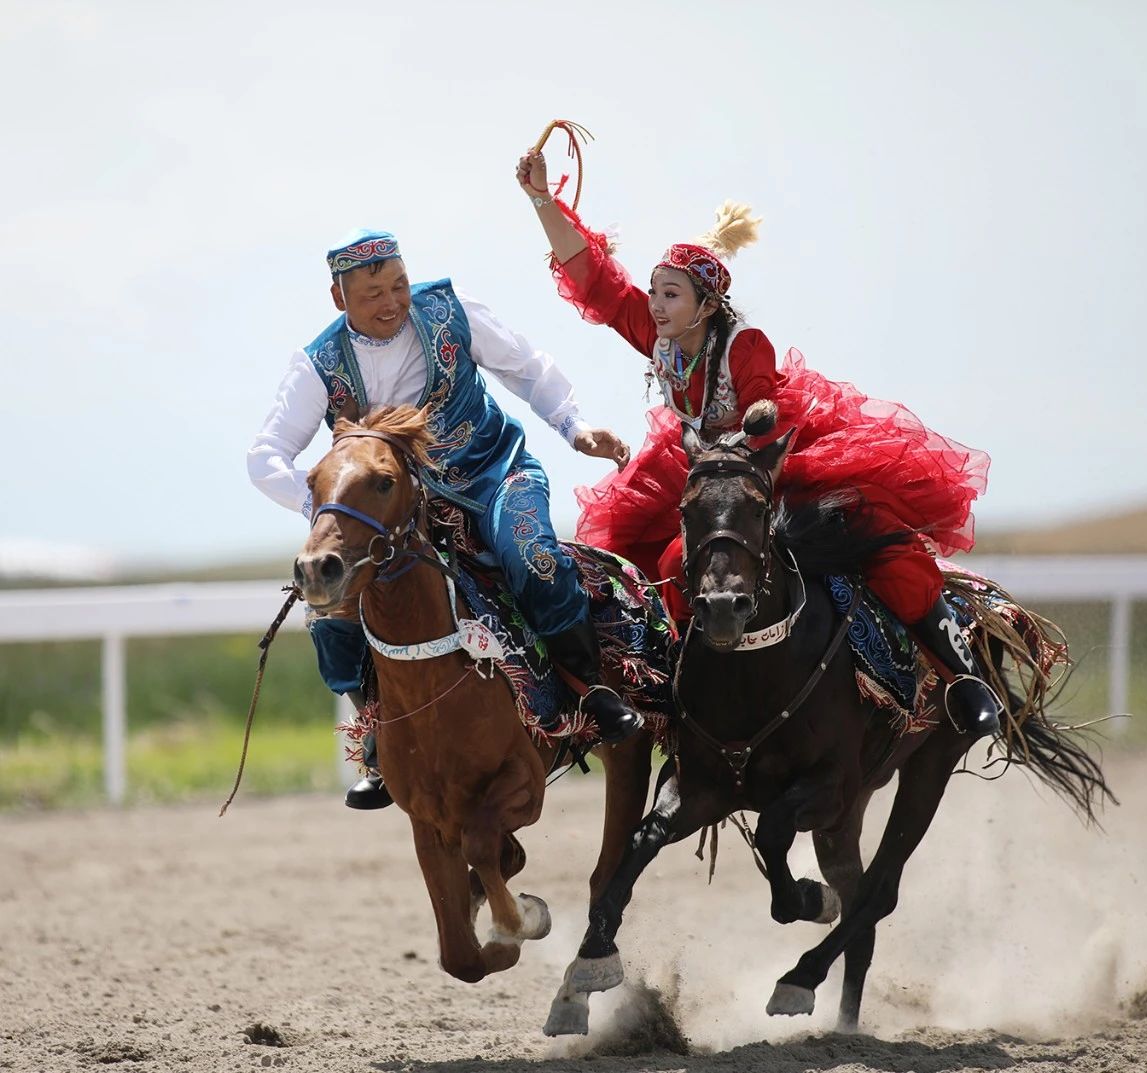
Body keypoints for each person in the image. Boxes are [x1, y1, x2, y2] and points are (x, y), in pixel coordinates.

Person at [515, 151, 1002, 738]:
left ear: (706, 303)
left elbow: (763, 418)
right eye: (654, 292)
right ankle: (662, 690)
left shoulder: (746, 346)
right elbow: (597, 279)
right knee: (645, 558)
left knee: (871, 532)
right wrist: (542, 200)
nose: (655, 305)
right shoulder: (658, 333)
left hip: (776, 459)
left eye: (670, 295)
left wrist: (748, 438)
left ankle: (961, 674)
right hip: (703, 462)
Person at [247, 229, 642, 809]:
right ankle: (378, 738)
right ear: (340, 299)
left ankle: (591, 693)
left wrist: (576, 428)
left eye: (399, 285)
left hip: (495, 474)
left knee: (529, 555)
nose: (391, 303)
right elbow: (265, 457)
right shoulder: (318, 364)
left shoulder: (450, 311)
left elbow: (527, 368)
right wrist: (327, 510)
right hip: (398, 514)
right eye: (373, 293)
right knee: (328, 610)